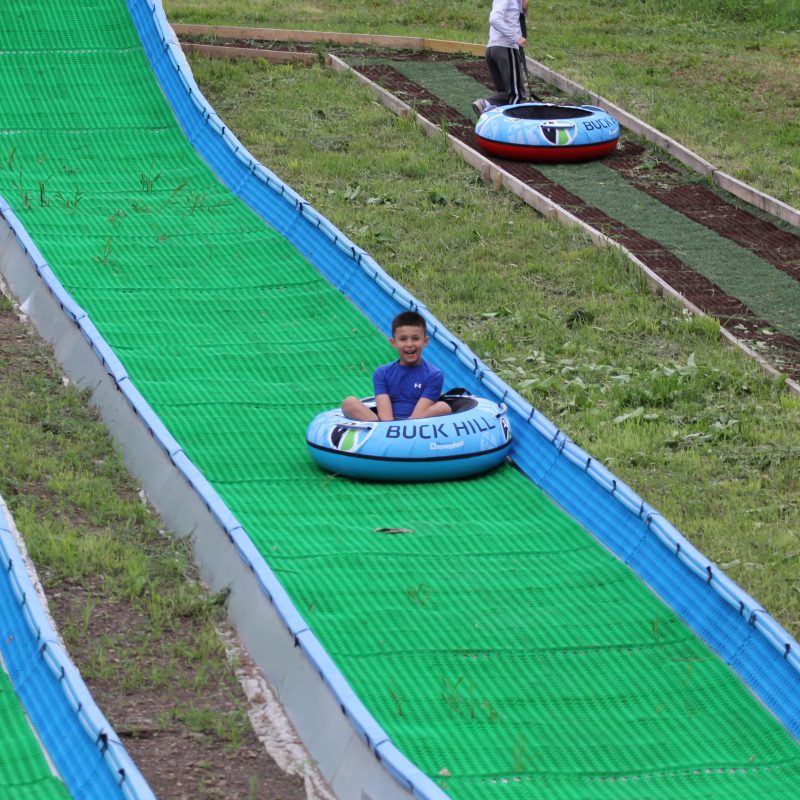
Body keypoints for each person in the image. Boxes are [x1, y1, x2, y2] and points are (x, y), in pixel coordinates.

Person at [342, 311, 453, 422]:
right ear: (393, 342)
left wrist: (403, 429)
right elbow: (385, 414)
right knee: (349, 402)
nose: (409, 344)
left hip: (417, 423)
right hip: (385, 425)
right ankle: (383, 433)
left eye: (415, 338)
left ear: (425, 341)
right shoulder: (382, 373)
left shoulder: (434, 375)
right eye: (403, 339)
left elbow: (418, 415)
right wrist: (388, 428)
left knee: (443, 407)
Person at [472, 0, 529, 118]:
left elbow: (512, 18)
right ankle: (511, 125)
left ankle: (488, 106)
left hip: (493, 48)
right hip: (506, 47)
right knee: (516, 95)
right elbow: (494, 19)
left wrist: (523, 9)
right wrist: (516, 38)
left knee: (505, 93)